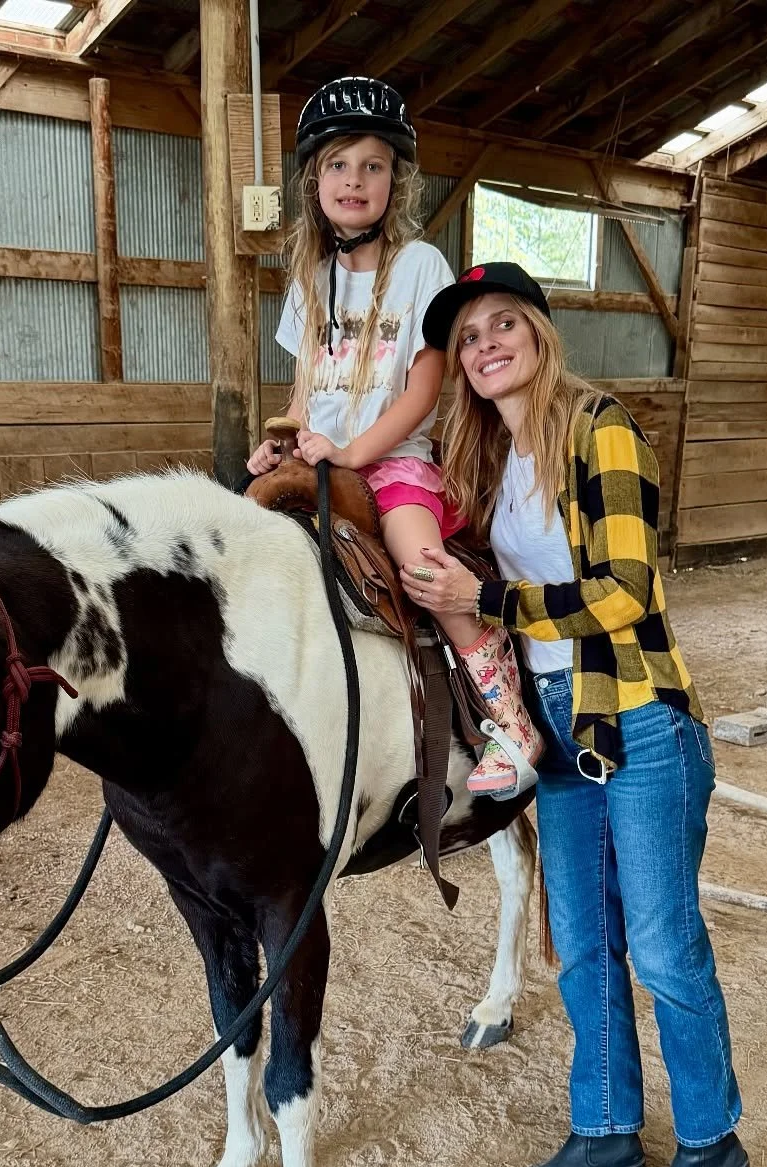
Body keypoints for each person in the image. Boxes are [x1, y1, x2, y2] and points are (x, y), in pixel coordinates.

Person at [408, 261, 748, 1167]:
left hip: (637, 709)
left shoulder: (599, 429)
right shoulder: (487, 459)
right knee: (585, 941)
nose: (486, 346)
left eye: (504, 324)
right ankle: (604, 1129)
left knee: (662, 943)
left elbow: (628, 590)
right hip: (555, 719)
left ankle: (712, 1144)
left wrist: (491, 603)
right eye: (469, 338)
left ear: (541, 332)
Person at [246, 78, 540, 798]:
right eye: (340, 165)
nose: (355, 180)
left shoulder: (419, 268)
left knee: (425, 572)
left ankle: (508, 718)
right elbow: (304, 390)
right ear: (316, 179)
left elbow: (422, 390)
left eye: (373, 166)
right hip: (322, 459)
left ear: (394, 182)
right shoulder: (309, 280)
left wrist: (355, 453)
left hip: (394, 465)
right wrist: (284, 442)